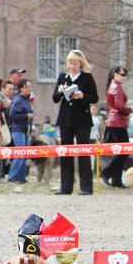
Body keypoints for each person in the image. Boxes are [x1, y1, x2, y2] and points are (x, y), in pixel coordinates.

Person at [52, 49, 99, 195]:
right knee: (66, 152)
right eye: (70, 63)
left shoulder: (87, 77)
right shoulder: (62, 77)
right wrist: (60, 91)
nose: (72, 66)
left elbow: (94, 97)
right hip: (66, 118)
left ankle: (86, 186)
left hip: (82, 118)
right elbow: (55, 98)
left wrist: (82, 95)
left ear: (80, 64)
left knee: (83, 152)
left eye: (75, 63)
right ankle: (66, 187)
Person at [100, 66, 133, 188]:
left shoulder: (111, 85)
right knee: (124, 151)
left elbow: (114, 106)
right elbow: (119, 107)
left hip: (112, 122)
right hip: (118, 123)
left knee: (120, 151)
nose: (124, 76)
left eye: (125, 74)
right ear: (115, 74)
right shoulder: (117, 87)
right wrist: (130, 109)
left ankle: (116, 180)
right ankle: (107, 172)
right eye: (122, 74)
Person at [8, 78, 34, 184]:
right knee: (19, 153)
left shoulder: (26, 99)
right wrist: (26, 116)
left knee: (23, 154)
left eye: (30, 86)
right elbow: (12, 114)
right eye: (27, 86)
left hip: (25, 130)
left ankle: (21, 177)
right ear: (22, 88)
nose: (30, 88)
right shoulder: (18, 99)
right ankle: (12, 176)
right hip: (18, 129)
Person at [0, 79, 13, 182]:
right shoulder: (0, 99)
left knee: (3, 152)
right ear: (2, 89)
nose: (11, 91)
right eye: (9, 89)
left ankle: (0, 175)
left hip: (6, 128)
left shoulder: (8, 99)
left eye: (12, 89)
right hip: (0, 128)